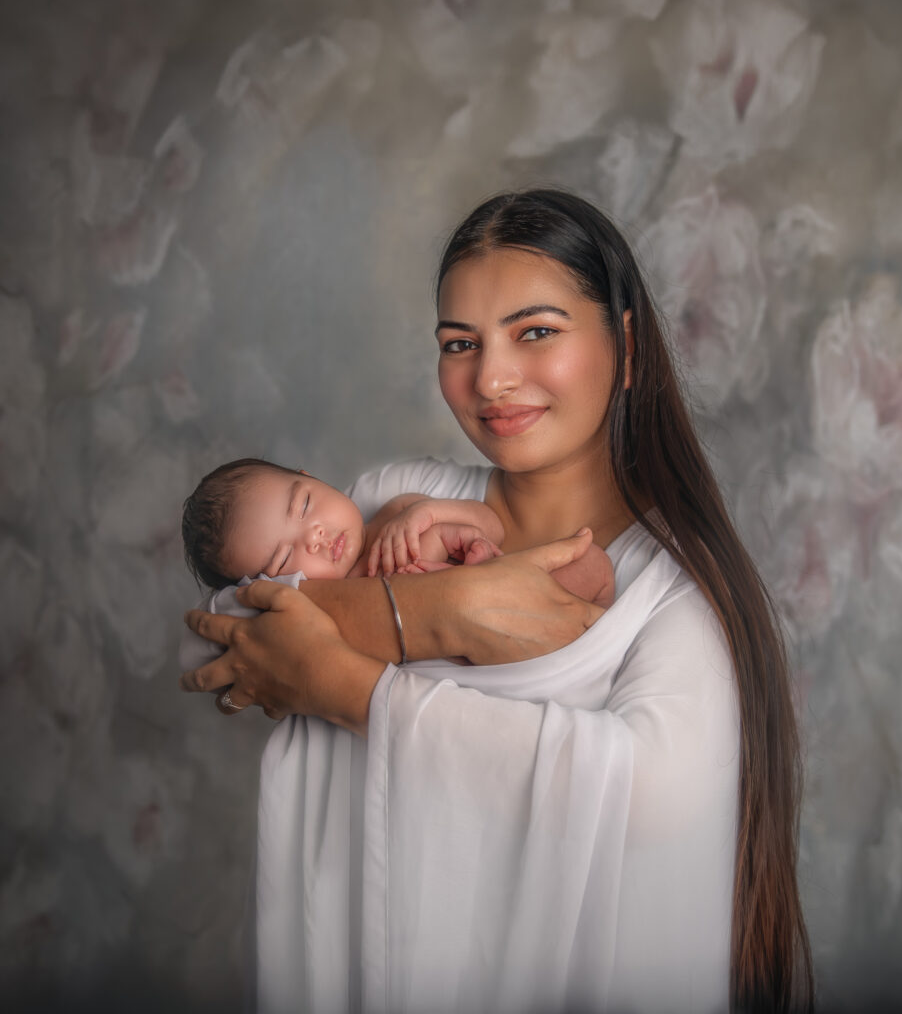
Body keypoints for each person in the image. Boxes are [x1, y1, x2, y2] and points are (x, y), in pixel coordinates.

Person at [180, 189, 814, 1013]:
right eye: (459, 343)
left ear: (626, 346)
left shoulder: (673, 597)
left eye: (536, 332)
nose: (491, 378)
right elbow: (211, 640)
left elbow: (646, 801)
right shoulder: (391, 499)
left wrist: (354, 688)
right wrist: (442, 613)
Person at [180, 456, 615, 599]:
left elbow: (493, 527)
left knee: (592, 564)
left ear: (311, 476)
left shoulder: (397, 510)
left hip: (513, 597)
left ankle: (584, 637)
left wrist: (426, 516)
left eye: (305, 505)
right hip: (476, 660)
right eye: (284, 556)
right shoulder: (334, 602)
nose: (314, 535)